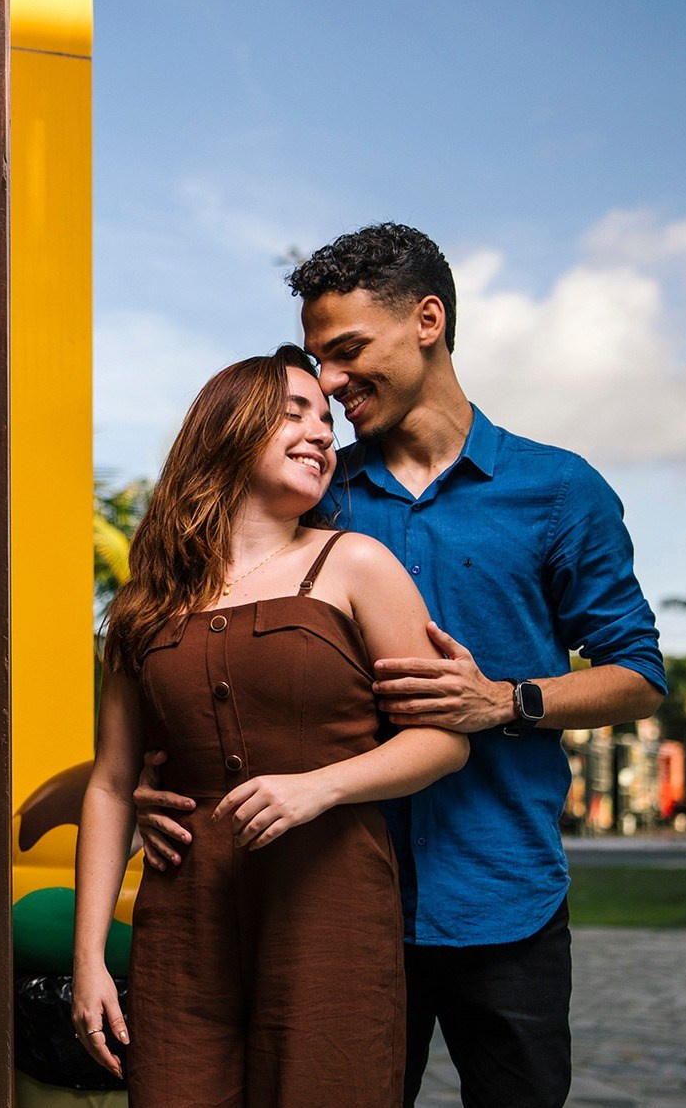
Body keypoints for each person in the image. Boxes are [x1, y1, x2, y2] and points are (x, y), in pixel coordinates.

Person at [135, 224, 667, 1108]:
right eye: (319, 363)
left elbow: (639, 674)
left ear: (428, 320)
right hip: (326, 901)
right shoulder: (312, 488)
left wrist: (503, 700)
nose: (330, 386)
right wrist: (160, 780)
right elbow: (203, 643)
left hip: (502, 894)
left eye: (347, 354)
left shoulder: (559, 490)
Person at [72, 345, 470, 1106]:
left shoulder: (356, 564)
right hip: (183, 931)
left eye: (326, 420)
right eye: (294, 413)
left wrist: (319, 788)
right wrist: (90, 959)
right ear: (226, 429)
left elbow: (442, 740)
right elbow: (112, 783)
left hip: (330, 915)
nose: (322, 432)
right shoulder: (143, 604)